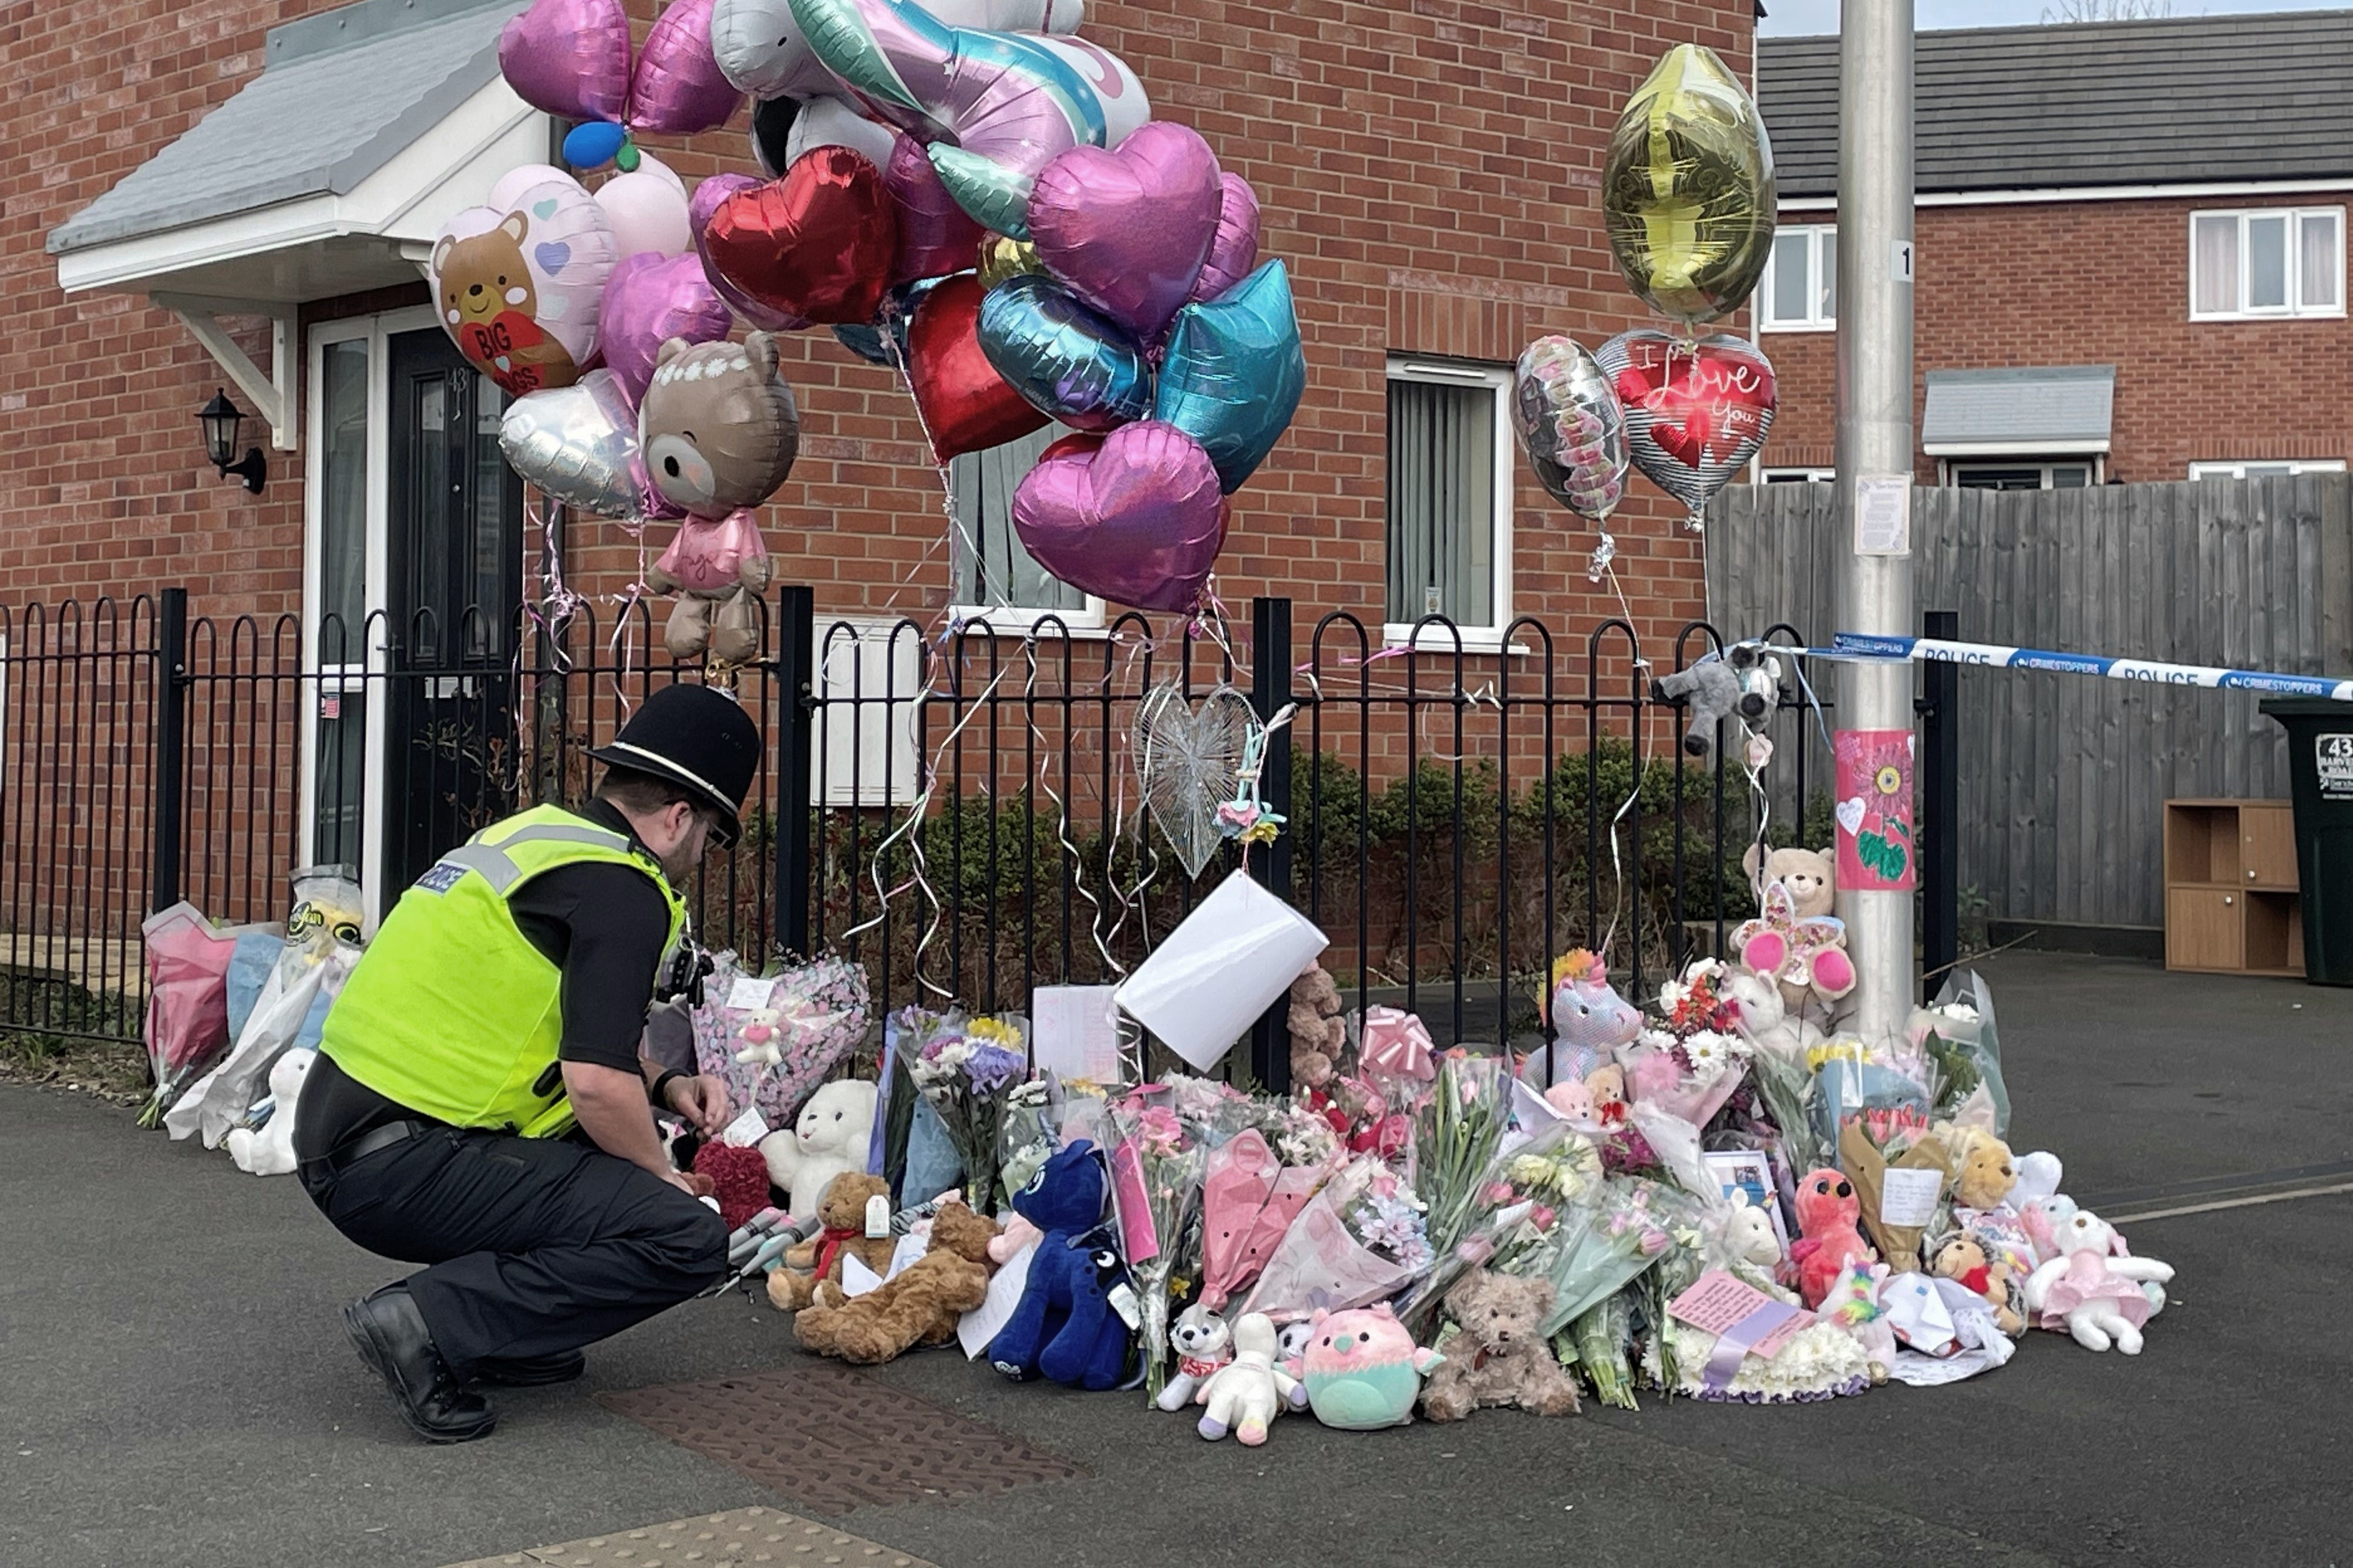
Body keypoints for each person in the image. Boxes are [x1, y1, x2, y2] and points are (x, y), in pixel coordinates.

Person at [294, 683, 760, 1443]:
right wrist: (667, 1178)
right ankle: (427, 1324)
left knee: (607, 1166)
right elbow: (593, 1085)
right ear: (679, 817)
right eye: (710, 836)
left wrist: (668, 1083)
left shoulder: (544, 841)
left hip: (353, 1134)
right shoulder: (626, 891)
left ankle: (504, 1334)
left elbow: (560, 1033)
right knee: (686, 1236)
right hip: (403, 1159)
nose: (700, 856)